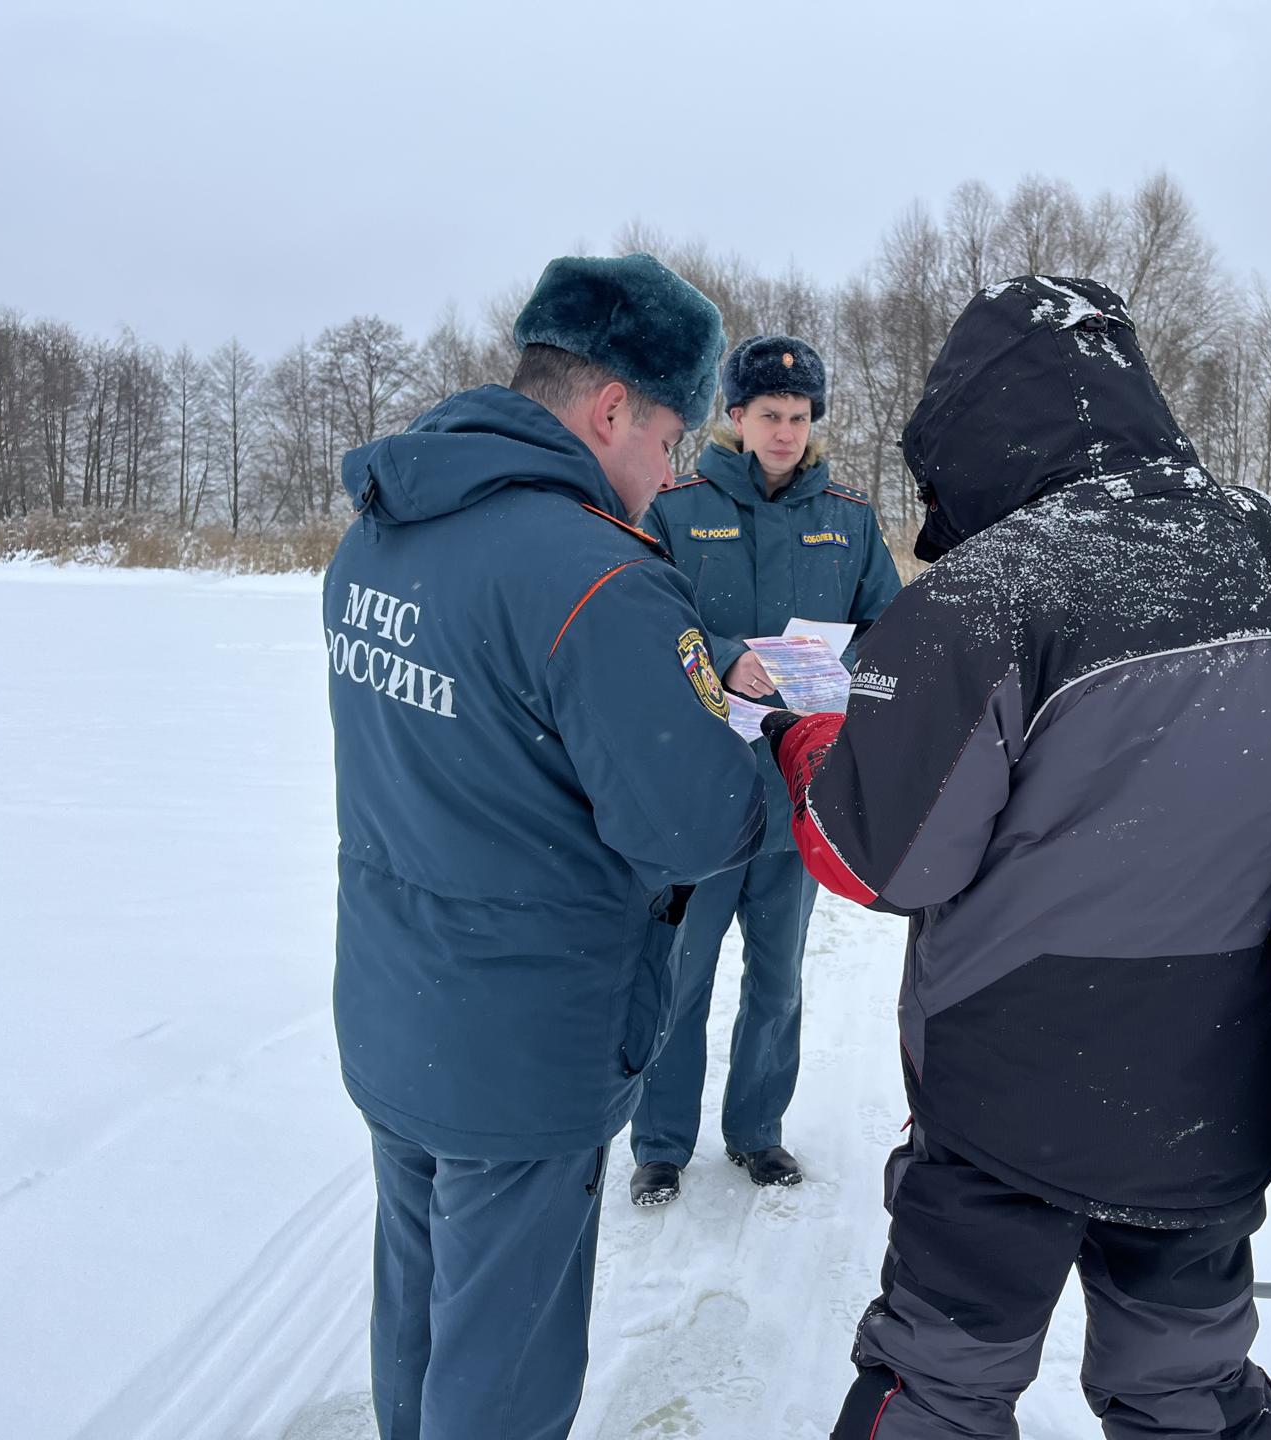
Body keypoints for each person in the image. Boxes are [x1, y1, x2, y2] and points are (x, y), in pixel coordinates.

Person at [762, 275, 1271, 1439]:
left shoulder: (990, 591)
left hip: (1009, 1091)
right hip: (1221, 1082)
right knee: (1187, 1386)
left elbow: (879, 862)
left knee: (941, 1387)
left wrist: (814, 741)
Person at [322, 252, 766, 1440]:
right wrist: (749, 741)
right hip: (521, 1045)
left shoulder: (385, 528)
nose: (672, 472)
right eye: (670, 436)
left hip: (395, 1012)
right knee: (504, 1372)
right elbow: (692, 822)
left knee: (417, 1318)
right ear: (612, 407)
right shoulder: (599, 577)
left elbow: (490, 728)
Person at [626, 335, 902, 1204]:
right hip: (700, 793)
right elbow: (636, 624)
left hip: (799, 797)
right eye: (769, 415)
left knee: (777, 979)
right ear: (735, 417)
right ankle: (661, 1143)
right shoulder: (675, 509)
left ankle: (756, 1133)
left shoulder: (850, 520)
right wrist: (722, 655)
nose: (785, 431)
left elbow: (892, 635)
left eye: (799, 416)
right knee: (682, 976)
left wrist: (847, 679)